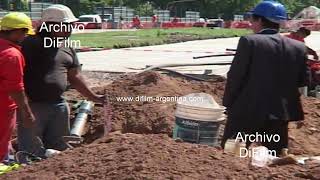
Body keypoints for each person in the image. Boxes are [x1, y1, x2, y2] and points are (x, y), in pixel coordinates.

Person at [18, 4, 105, 158]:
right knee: (30, 152)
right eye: (65, 25)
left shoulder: (67, 47)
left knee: (59, 149)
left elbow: (75, 77)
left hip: (59, 105)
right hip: (33, 106)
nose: (69, 29)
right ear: (48, 25)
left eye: (70, 25)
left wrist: (94, 97)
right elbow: (16, 75)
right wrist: (24, 105)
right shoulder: (30, 44)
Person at [221, 1, 308, 156]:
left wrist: (228, 103)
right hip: (280, 114)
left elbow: (236, 77)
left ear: (260, 20)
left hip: (247, 110)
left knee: (232, 155)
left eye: (252, 20)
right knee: (275, 158)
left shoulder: (250, 42)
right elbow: (303, 81)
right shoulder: (298, 47)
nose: (251, 24)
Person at [0, 12, 35, 162]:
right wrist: (27, 113)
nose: (26, 36)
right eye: (25, 32)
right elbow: (15, 87)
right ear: (16, 31)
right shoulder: (12, 54)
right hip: (3, 106)